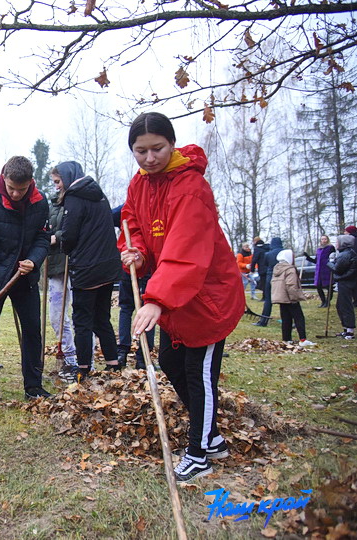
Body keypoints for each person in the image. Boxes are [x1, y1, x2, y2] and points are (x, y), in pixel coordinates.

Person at [119, 112, 244, 483]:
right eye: (140, 151)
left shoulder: (191, 187)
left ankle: (198, 453)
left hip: (207, 296)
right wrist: (136, 252)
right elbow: (133, 224)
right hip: (175, 294)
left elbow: (185, 248)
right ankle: (213, 436)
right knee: (172, 363)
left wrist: (155, 298)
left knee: (199, 372)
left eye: (157, 148)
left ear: (171, 145)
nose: (149, 158)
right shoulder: (138, 185)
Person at [0, 156, 51, 405]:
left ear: (31, 183)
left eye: (22, 189)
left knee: (32, 330)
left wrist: (34, 261)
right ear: (4, 177)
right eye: (12, 188)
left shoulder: (39, 202)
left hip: (25, 276)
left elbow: (43, 238)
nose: (16, 194)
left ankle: (34, 387)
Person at [58, 161, 123, 380]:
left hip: (87, 269)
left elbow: (69, 234)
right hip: (108, 266)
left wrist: (62, 243)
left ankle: (83, 369)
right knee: (102, 318)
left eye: (58, 181)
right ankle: (113, 364)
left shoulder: (74, 196)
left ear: (67, 177)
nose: (58, 186)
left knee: (82, 320)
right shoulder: (98, 194)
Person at [45, 165, 79, 380]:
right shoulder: (53, 203)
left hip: (76, 264)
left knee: (80, 316)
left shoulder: (78, 200)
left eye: (58, 181)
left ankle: (80, 360)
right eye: (54, 182)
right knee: (56, 315)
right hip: (56, 265)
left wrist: (57, 236)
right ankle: (68, 356)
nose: (56, 186)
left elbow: (73, 229)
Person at [112, 205, 155, 370]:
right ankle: (123, 350)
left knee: (148, 309)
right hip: (129, 266)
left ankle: (143, 355)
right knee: (126, 307)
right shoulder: (125, 209)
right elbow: (109, 217)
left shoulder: (155, 208)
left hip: (149, 266)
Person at [271, 249, 314, 346]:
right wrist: (295, 298)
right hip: (290, 298)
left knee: (286, 319)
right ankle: (303, 339)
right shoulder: (290, 270)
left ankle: (286, 339)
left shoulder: (277, 268)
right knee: (299, 318)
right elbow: (291, 285)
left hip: (281, 298)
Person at [329, 234, 356, 339]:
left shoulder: (345, 254)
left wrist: (330, 263)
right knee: (340, 306)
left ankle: (349, 331)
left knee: (345, 306)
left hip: (346, 283)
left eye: (337, 242)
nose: (336, 244)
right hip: (345, 282)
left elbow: (337, 269)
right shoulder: (347, 253)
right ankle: (346, 328)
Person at [254, 236, 283, 326]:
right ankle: (288, 320)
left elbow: (265, 264)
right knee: (285, 300)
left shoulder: (268, 254)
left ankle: (263, 321)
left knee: (268, 300)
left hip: (271, 277)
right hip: (283, 277)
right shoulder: (285, 252)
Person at [304, 235, 335, 308]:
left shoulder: (330, 248)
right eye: (322, 239)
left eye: (325, 239)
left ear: (327, 240)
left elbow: (333, 258)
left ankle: (327, 302)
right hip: (319, 271)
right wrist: (308, 257)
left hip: (327, 270)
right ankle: (323, 301)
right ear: (320, 240)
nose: (323, 240)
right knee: (318, 287)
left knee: (329, 287)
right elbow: (316, 261)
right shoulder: (319, 249)